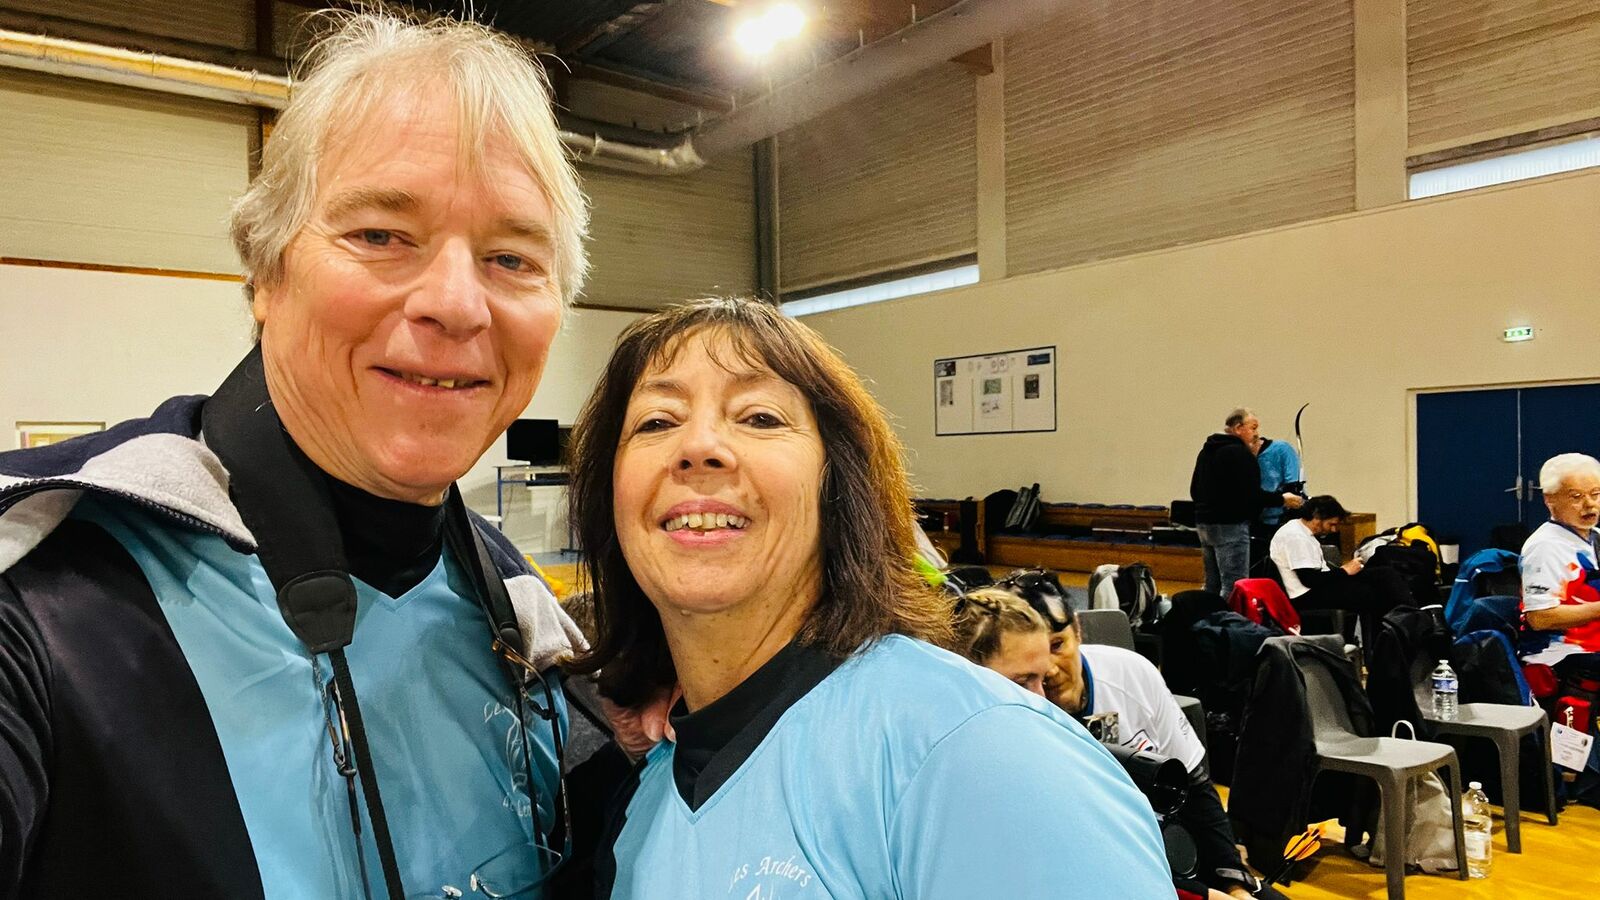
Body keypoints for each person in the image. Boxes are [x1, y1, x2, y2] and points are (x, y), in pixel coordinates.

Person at [0, 12, 595, 898]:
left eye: (511, 258)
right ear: (266, 273)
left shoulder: (518, 612)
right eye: (381, 236)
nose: (456, 304)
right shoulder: (41, 585)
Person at [566, 297, 1171, 898]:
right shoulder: (642, 806)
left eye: (760, 417)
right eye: (656, 422)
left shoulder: (982, 756)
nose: (698, 445)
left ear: (839, 482)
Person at [1005, 576, 1276, 900]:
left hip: (1166, 848)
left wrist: (1233, 881)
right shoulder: (1011, 719)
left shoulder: (1131, 673)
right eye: (1028, 664)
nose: (1049, 670)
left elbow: (1195, 786)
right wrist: (1204, 895)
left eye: (1057, 645)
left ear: (1077, 630)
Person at [1190, 408, 1304, 597]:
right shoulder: (1239, 453)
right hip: (1231, 525)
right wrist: (1281, 499)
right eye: (1253, 428)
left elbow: (1195, 490)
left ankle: (1209, 614)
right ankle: (1231, 617)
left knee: (1212, 583)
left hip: (1204, 525)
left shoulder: (1207, 451)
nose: (1257, 433)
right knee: (1235, 584)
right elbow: (1251, 495)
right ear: (1238, 428)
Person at [1270, 495, 1396, 649]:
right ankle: (1381, 645)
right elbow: (1309, 579)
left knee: (1383, 574)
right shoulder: (1295, 536)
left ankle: (1407, 621)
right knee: (1373, 593)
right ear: (1317, 517)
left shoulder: (1301, 532)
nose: (1333, 530)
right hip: (1306, 595)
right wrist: (1344, 571)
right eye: (1332, 524)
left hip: (1316, 588)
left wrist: (1345, 571)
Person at [1520, 453, 1600, 677]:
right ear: (1550, 499)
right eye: (1576, 496)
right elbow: (1539, 617)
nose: (1589, 504)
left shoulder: (1594, 536)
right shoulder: (1546, 547)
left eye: (1595, 494)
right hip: (1562, 656)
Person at [1254, 434, 1304, 532]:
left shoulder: (1281, 449)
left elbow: (1293, 486)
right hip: (1254, 520)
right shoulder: (1241, 455)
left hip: (1283, 519)